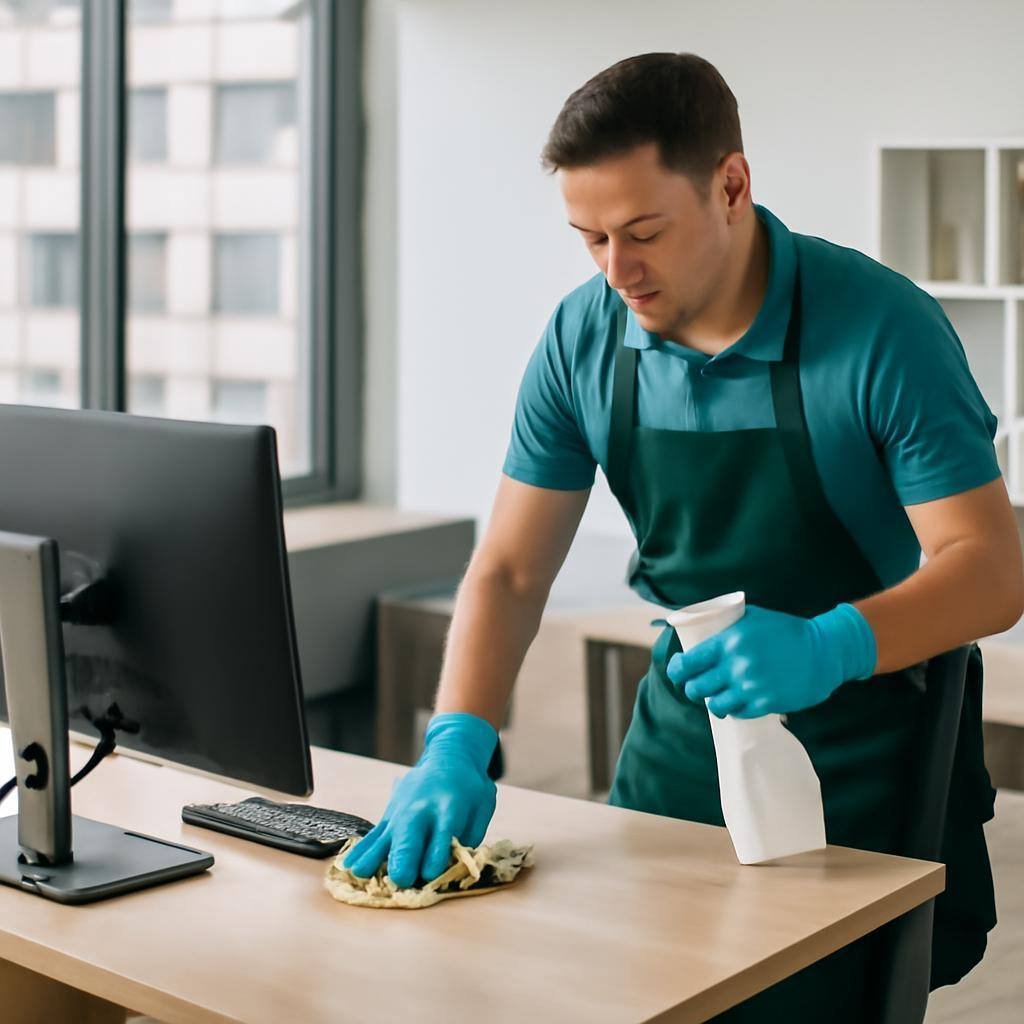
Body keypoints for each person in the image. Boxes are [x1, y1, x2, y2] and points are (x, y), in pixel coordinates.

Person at [345, 52, 1022, 1018]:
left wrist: (832, 644)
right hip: (680, 740)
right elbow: (507, 570)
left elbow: (991, 572)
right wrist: (456, 740)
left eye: (643, 232)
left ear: (732, 186)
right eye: (589, 240)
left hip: (866, 759)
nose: (617, 271)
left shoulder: (881, 331)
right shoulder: (582, 339)